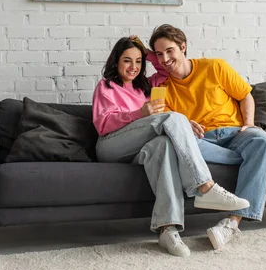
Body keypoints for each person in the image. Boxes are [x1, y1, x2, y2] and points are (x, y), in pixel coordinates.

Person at [92, 36, 250, 257]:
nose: (133, 67)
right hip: (111, 146)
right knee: (172, 117)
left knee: (164, 146)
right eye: (127, 60)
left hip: (140, 149)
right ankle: (204, 186)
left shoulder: (146, 87)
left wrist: (145, 51)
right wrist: (140, 114)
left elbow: (166, 68)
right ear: (115, 62)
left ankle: (168, 229)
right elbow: (102, 125)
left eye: (138, 62)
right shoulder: (107, 86)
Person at [149, 24, 266, 250]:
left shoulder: (214, 67)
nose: (165, 58)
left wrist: (248, 124)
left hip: (235, 133)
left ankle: (231, 223)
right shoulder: (162, 87)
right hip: (200, 142)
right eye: (159, 54)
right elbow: (168, 123)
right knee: (178, 144)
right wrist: (186, 125)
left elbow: (245, 95)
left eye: (169, 51)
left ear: (182, 47)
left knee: (262, 141)